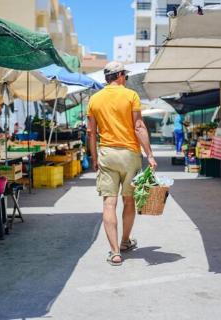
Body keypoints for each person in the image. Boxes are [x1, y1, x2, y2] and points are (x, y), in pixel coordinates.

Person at [87, 61, 157, 266]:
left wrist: (93, 157)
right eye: (124, 76)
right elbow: (139, 126)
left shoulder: (94, 99)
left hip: (107, 154)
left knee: (109, 202)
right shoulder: (131, 95)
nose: (125, 79)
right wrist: (150, 155)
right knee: (129, 201)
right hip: (130, 154)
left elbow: (91, 133)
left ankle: (115, 252)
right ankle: (125, 241)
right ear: (119, 76)